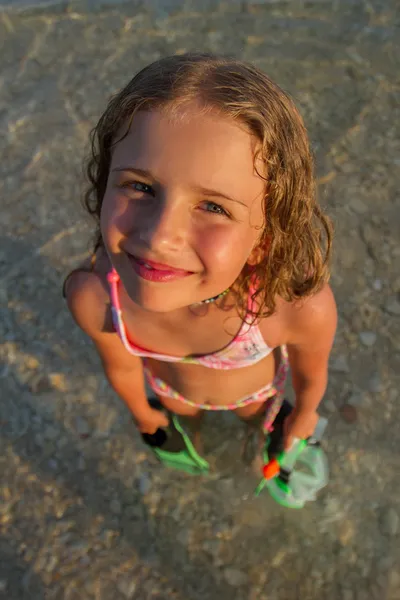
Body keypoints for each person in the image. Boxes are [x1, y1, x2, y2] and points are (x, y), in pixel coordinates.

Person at [64, 53, 337, 472]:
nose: (159, 236)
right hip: (173, 393)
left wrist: (303, 415)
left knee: (258, 423)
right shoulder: (96, 298)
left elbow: (311, 375)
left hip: (254, 396)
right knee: (183, 420)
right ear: (104, 186)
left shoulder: (293, 306)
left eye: (213, 206)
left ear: (266, 237)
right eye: (139, 186)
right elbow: (120, 367)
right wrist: (145, 416)